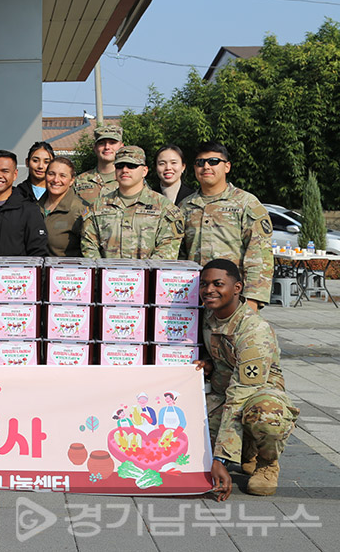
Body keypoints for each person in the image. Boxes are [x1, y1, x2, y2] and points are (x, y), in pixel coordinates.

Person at [196, 259, 299, 499]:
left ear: (237, 288)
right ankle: (246, 450)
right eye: (204, 284)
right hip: (221, 394)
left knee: (266, 415)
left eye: (218, 284)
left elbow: (240, 394)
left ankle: (267, 463)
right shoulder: (205, 316)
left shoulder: (253, 329)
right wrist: (206, 362)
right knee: (186, 435)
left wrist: (221, 458)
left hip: (254, 395)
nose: (209, 289)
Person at [179, 141, 273, 310]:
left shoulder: (246, 203)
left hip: (232, 301)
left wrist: (252, 300)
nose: (206, 166)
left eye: (213, 161)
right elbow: (180, 255)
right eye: (200, 162)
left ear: (227, 167)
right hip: (194, 298)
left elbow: (259, 255)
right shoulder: (186, 206)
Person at [81, 146, 184, 259]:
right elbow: (89, 247)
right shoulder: (97, 207)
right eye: (120, 166)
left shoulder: (164, 208)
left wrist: (144, 276)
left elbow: (167, 249)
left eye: (132, 166)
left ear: (144, 171)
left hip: (148, 275)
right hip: (106, 275)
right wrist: (103, 274)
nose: (125, 170)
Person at [39, 157, 88, 257]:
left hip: (67, 270)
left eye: (63, 176)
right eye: (51, 174)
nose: (56, 180)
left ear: (71, 180)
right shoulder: (34, 206)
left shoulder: (80, 210)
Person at [74, 124, 123, 205]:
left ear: (121, 147)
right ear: (95, 148)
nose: (107, 147)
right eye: (102, 143)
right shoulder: (79, 181)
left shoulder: (129, 179)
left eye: (112, 143)